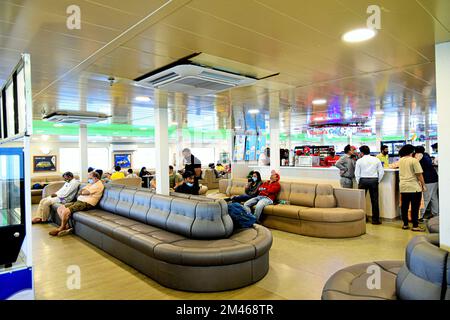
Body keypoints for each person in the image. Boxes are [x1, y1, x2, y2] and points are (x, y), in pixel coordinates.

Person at [49, 171, 104, 237]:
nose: (89, 180)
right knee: (60, 208)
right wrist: (82, 191)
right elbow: (81, 191)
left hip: (86, 203)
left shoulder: (98, 185)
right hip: (79, 201)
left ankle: (61, 227)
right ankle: (66, 226)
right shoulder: (91, 184)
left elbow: (84, 192)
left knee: (65, 211)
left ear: (96, 178)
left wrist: (82, 192)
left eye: (90, 178)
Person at [398, 144, 426, 231]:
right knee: (415, 207)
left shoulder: (401, 160)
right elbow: (419, 174)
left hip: (403, 187)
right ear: (412, 152)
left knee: (404, 206)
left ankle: (405, 224)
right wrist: (423, 185)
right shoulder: (414, 161)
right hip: (414, 187)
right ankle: (415, 226)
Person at [355, 145, 384, 225]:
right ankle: (375, 220)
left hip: (363, 180)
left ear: (362, 153)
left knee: (361, 201)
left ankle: (362, 218)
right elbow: (381, 172)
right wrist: (378, 180)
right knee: (375, 201)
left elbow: (357, 173)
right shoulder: (376, 159)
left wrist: (359, 182)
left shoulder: (359, 161)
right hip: (373, 180)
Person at [414, 146, 439, 221]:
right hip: (434, 179)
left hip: (428, 180)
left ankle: (420, 216)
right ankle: (436, 214)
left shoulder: (420, 157)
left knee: (425, 198)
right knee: (433, 197)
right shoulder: (426, 155)